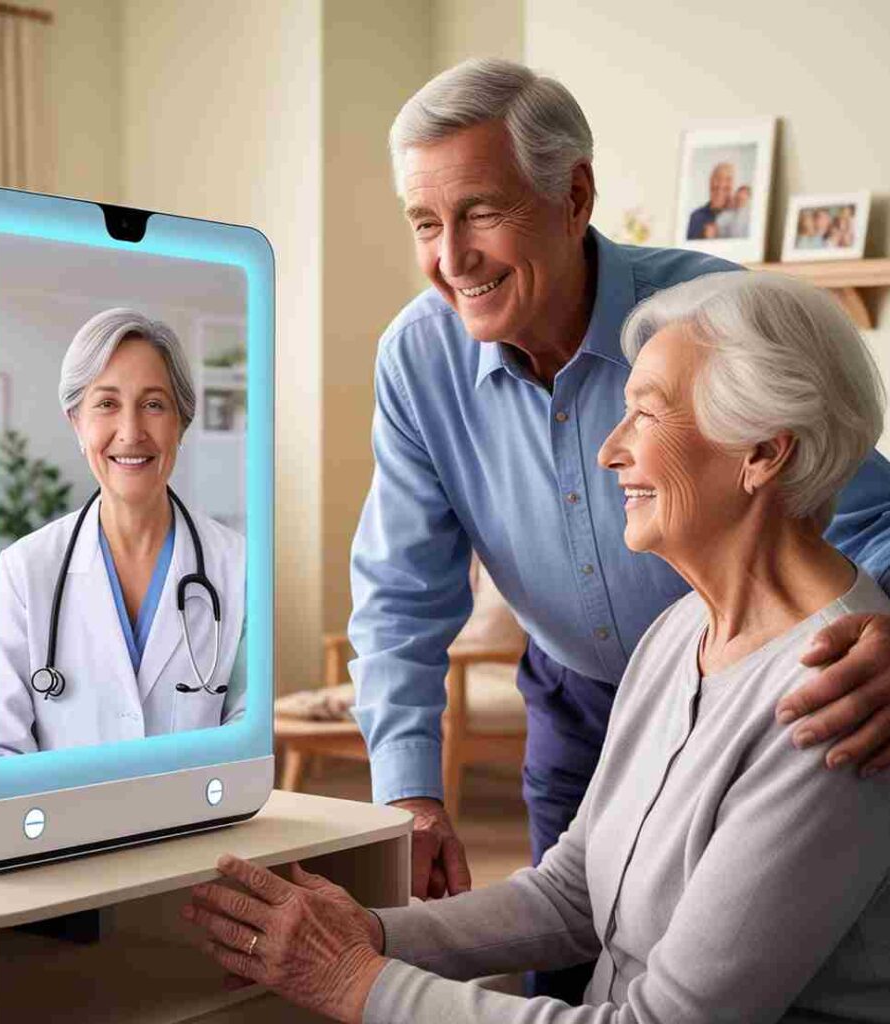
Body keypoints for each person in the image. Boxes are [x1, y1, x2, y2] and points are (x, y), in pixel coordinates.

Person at [184, 271, 890, 1024]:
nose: (610, 451)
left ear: (762, 454)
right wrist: (377, 933)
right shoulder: (680, 630)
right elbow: (573, 892)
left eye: (645, 416)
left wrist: (356, 981)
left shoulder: (836, 698)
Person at [343, 58, 890, 1004]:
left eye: (478, 211)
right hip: (610, 686)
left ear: (574, 195)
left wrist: (875, 638)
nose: (451, 258)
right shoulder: (417, 358)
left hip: (758, 685)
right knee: (580, 943)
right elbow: (401, 592)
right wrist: (410, 797)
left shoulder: (710, 326)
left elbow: (858, 499)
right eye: (425, 225)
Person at [0, 308, 246, 755]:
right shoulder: (24, 571)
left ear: (181, 421)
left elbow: (248, 734)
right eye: (106, 403)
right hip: (64, 825)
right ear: (76, 422)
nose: (131, 431)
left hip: (200, 822)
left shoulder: (239, 566)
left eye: (153, 405)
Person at [686, 161, 734, 239]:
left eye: (728, 179)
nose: (721, 184)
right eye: (718, 178)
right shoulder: (695, 217)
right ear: (710, 182)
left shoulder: (738, 217)